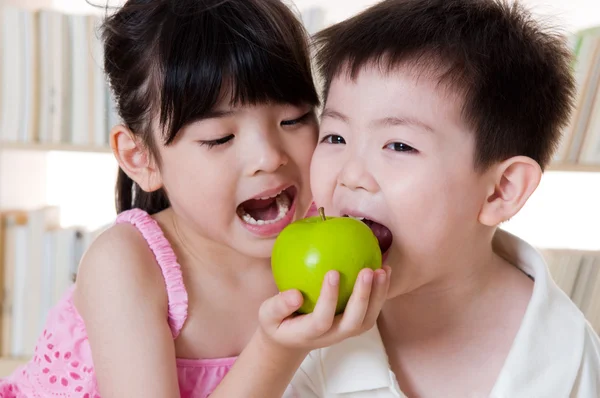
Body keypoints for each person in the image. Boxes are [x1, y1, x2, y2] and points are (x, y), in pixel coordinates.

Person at [0, 1, 390, 397]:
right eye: (220, 137)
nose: (269, 156)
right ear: (142, 158)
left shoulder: (332, 225)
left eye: (293, 119)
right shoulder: (123, 265)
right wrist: (280, 349)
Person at [290, 0, 600, 396]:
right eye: (335, 137)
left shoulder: (568, 360)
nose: (351, 175)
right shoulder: (301, 329)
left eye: (399, 145)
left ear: (502, 190)